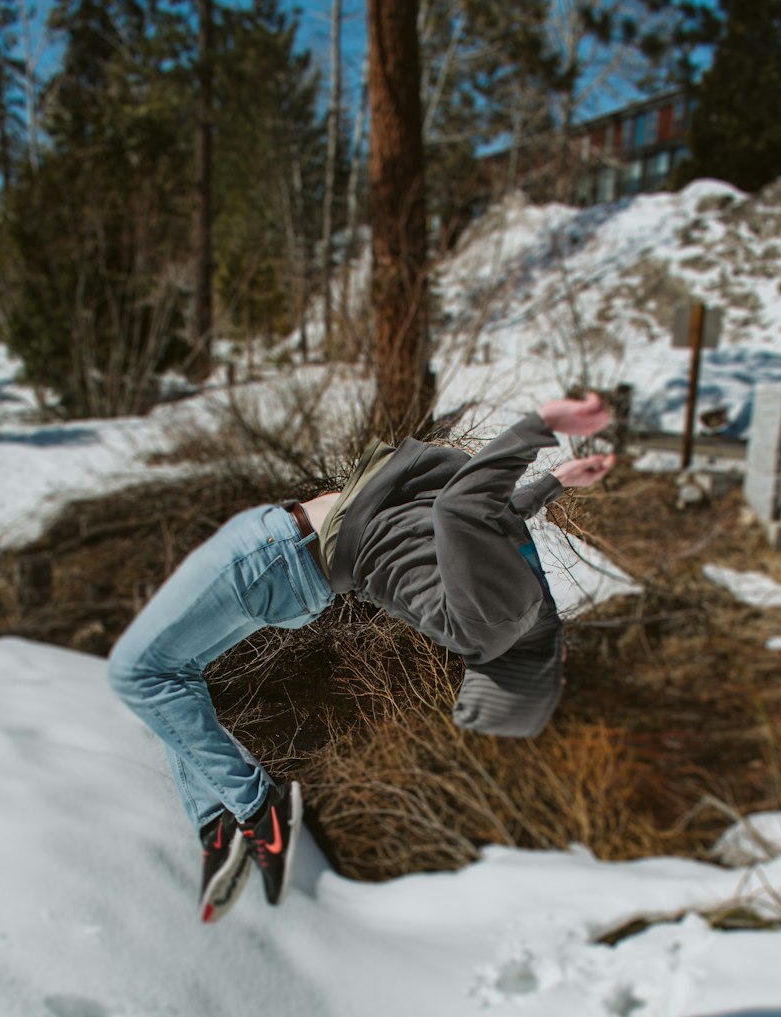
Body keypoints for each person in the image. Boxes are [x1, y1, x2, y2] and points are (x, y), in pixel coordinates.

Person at [107, 390, 614, 922]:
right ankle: (218, 822)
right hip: (291, 569)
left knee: (137, 672)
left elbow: (464, 503)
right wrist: (557, 483)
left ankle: (259, 809)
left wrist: (542, 425)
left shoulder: (505, 615)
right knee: (175, 676)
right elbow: (498, 514)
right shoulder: (509, 613)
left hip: (277, 554)